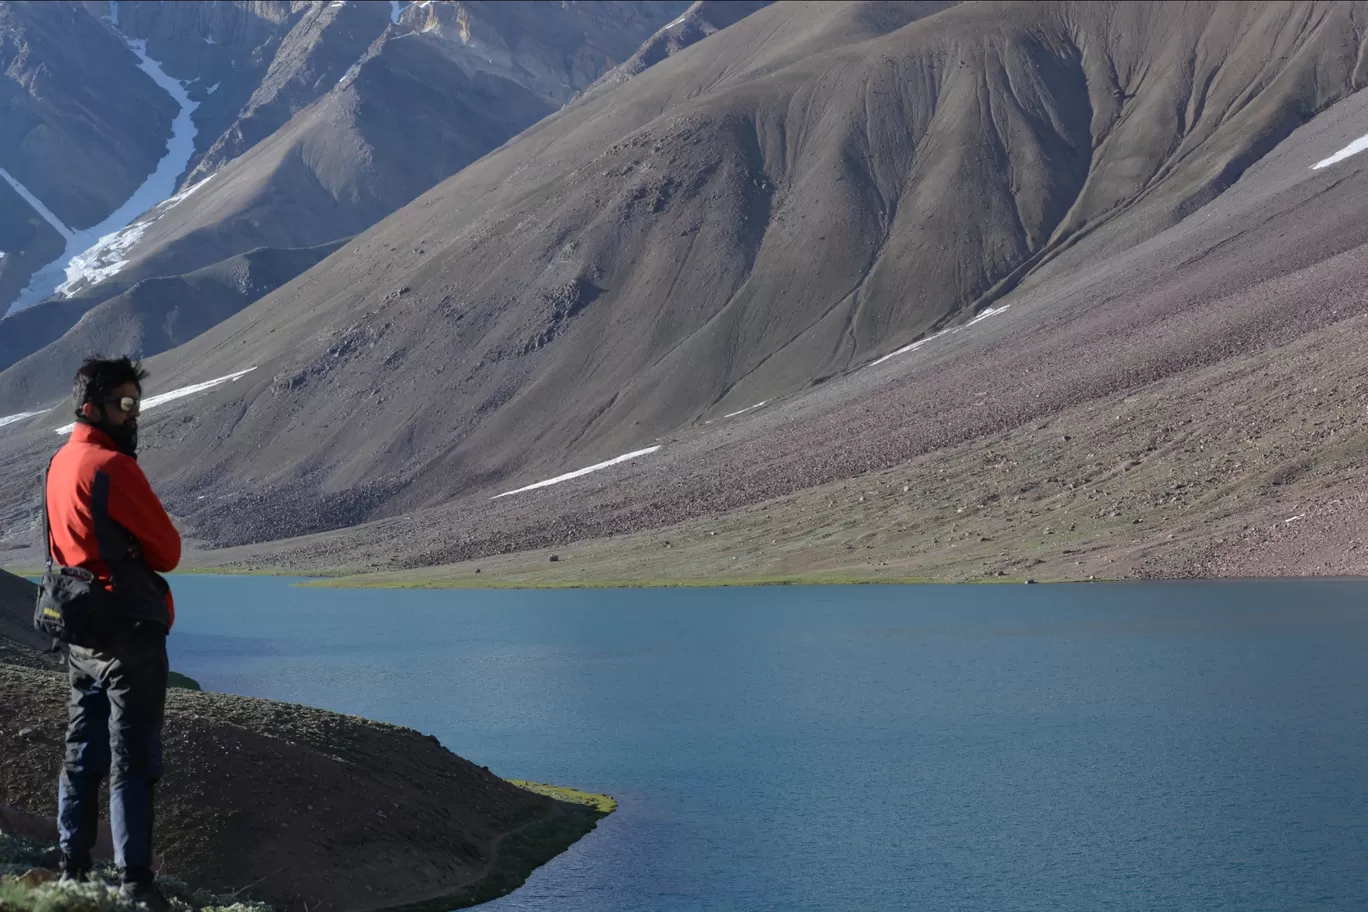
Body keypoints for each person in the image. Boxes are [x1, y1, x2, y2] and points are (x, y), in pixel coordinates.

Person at [45, 356, 181, 911]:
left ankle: (71, 871)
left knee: (82, 754)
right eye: (124, 405)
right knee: (134, 761)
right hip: (129, 636)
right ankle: (135, 886)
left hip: (80, 635)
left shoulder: (58, 462)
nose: (134, 416)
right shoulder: (112, 468)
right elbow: (168, 552)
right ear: (92, 407)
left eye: (137, 404)